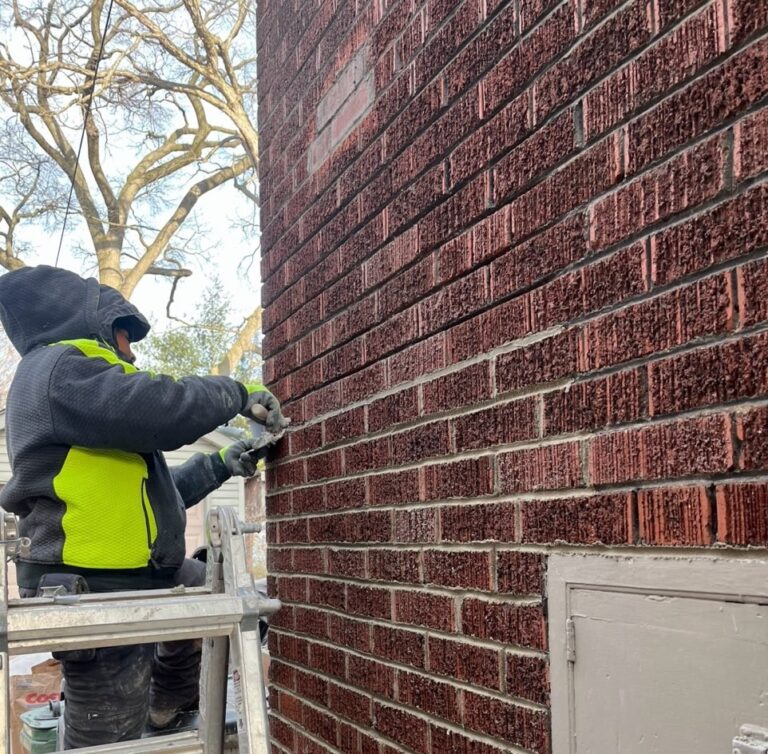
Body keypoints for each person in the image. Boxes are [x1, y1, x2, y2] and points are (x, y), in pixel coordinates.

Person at [0, 265, 287, 748]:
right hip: (88, 586)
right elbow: (162, 408)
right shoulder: (60, 369)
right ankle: (139, 724)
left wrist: (221, 462)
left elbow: (158, 500)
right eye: (124, 336)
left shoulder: (82, 394)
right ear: (93, 328)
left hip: (129, 574)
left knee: (200, 585)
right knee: (109, 737)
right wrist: (234, 392)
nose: (132, 351)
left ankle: (166, 705)